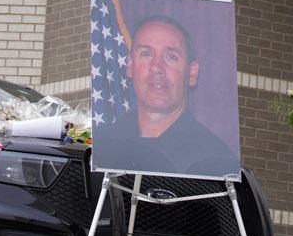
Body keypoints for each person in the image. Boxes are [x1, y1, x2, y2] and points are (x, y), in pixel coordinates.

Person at [101, 14, 236, 176]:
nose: (157, 67)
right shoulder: (104, 144)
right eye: (146, 54)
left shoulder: (216, 160)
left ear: (192, 73)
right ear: (130, 65)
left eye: (171, 57)